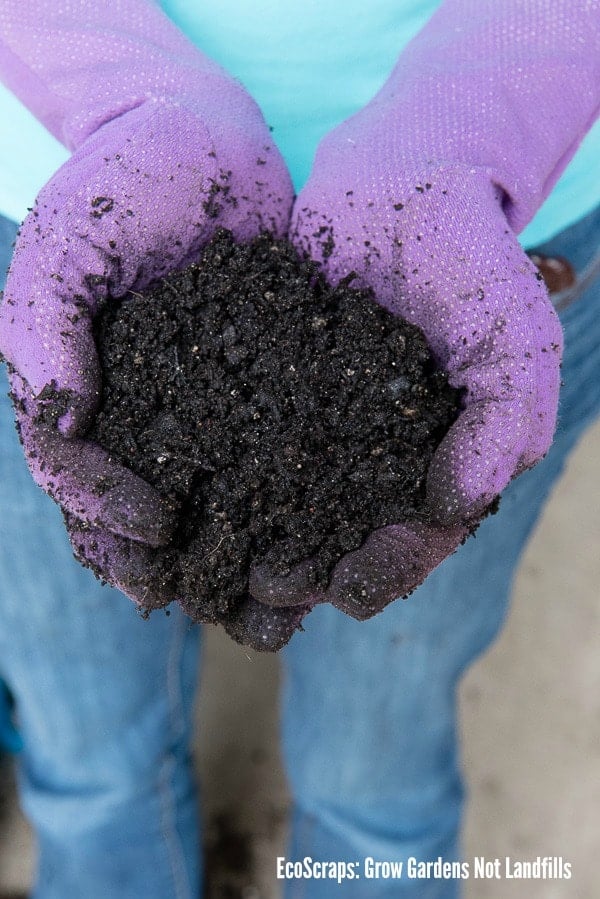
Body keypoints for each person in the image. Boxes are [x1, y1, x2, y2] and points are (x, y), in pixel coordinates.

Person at [0, 1, 599, 896]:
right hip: (75, 207)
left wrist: (486, 103)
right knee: (80, 728)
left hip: (487, 234)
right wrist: (107, 79)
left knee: (378, 763)